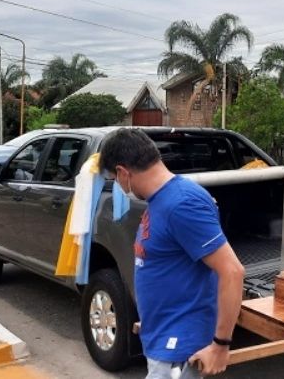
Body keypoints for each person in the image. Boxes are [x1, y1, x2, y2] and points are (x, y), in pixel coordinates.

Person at [98, 128, 245, 378]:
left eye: (114, 179)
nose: (118, 186)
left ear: (123, 172)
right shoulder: (161, 200)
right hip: (162, 335)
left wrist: (220, 345)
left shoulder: (182, 204)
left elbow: (232, 272)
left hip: (178, 349)